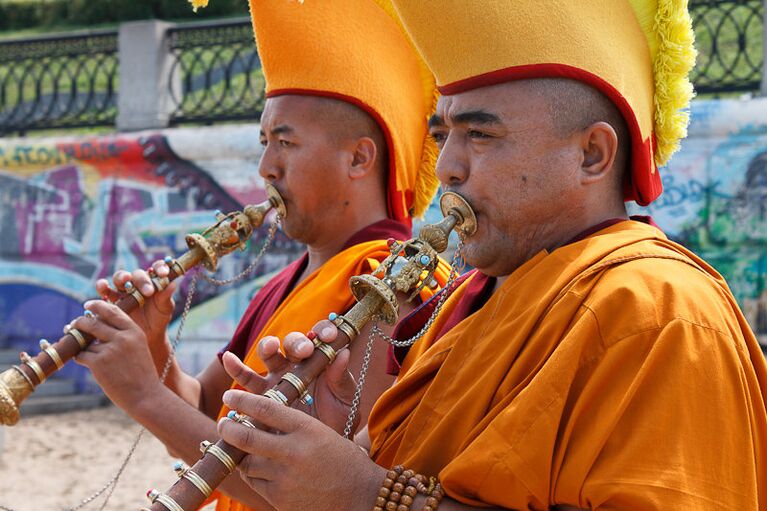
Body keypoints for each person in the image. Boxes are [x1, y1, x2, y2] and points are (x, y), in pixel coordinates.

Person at [215, 1, 767, 510]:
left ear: (592, 154)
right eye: (444, 134)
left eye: (479, 133)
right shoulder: (467, 299)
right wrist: (327, 436)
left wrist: (363, 494)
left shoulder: (659, 311)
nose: (449, 167)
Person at [71, 0, 445, 509]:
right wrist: (152, 343)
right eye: (264, 141)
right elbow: (205, 406)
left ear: (359, 157)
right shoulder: (289, 279)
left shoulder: (388, 283)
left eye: (286, 143)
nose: (267, 167)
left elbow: (330, 488)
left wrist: (143, 395)